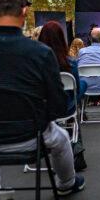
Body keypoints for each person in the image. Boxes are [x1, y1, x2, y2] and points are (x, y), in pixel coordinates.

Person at [0, 0, 84, 200]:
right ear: (25, 12)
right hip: (28, 136)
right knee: (62, 138)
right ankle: (66, 184)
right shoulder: (41, 53)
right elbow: (58, 106)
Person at [38, 21, 88, 171]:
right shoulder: (70, 63)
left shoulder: (35, 63)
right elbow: (77, 88)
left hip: (41, 110)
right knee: (82, 86)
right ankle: (77, 151)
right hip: (65, 108)